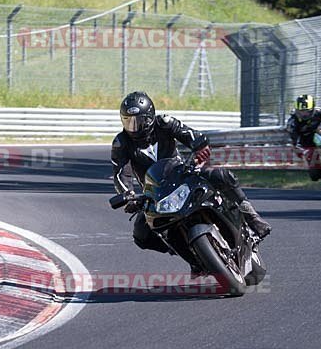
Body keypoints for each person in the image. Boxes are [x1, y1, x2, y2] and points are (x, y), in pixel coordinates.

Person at [111, 91, 271, 268]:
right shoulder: (121, 142)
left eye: (140, 121)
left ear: (150, 116)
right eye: (129, 122)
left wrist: (199, 145)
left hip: (182, 174)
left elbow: (189, 134)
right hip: (154, 193)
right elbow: (120, 173)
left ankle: (251, 217)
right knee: (141, 235)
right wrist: (128, 195)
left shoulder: (164, 123)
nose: (135, 127)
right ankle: (191, 256)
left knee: (221, 175)